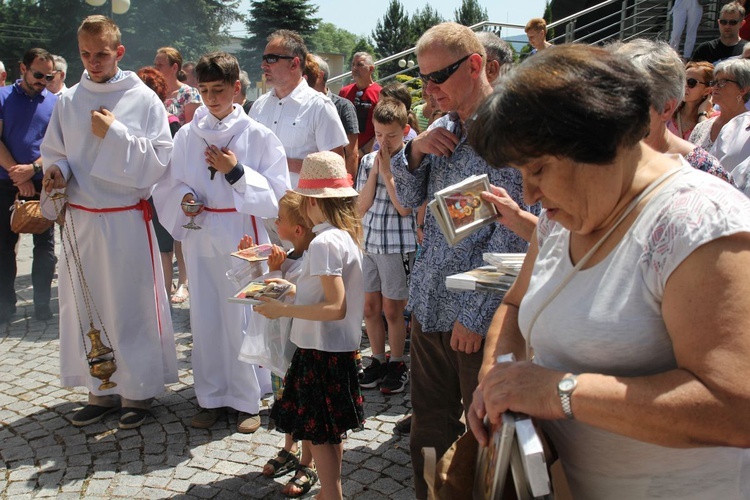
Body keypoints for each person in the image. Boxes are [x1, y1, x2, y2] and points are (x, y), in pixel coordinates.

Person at [467, 42, 750, 500]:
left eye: (538, 168)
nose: (530, 194)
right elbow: (517, 304)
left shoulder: (700, 223)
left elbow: (734, 409)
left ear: (604, 140)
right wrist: (496, 378)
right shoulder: (567, 218)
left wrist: (558, 392)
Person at [389, 22, 534, 499]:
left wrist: (476, 316)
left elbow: (514, 239)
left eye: (439, 76)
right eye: (423, 77)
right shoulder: (441, 128)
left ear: (476, 66)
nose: (429, 89)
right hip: (430, 306)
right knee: (427, 434)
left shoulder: (511, 134)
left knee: (490, 437)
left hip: (477, 321)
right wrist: (412, 152)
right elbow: (407, 200)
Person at [40, 15, 177, 430]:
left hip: (124, 220)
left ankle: (137, 391)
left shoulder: (143, 99)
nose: (93, 62)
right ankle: (99, 390)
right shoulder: (68, 100)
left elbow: (159, 160)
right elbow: (55, 150)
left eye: (101, 54)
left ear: (119, 52)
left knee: (130, 306)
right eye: (85, 54)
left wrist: (114, 134)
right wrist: (57, 171)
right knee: (86, 306)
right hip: (81, 221)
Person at [153, 51, 289, 433]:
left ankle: (248, 399)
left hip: (241, 234)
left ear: (237, 89)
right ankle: (211, 396)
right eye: (205, 90)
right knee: (206, 317)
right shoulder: (186, 135)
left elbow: (278, 195)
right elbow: (169, 184)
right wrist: (185, 200)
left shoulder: (258, 135)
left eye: (219, 89)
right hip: (200, 234)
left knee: (242, 316)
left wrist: (236, 171)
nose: (211, 98)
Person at [256, 151, 365, 500]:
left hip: (320, 349)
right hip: (336, 348)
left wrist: (282, 311)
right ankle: (331, 491)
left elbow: (334, 306)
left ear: (312, 201)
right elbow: (319, 291)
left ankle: (331, 495)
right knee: (328, 432)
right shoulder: (342, 236)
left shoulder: (323, 242)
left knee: (320, 432)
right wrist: (288, 291)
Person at [238, 192, 316, 496]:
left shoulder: (308, 260)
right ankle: (289, 448)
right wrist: (255, 262)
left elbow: (281, 291)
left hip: (299, 344)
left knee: (304, 403)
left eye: (279, 220)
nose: (274, 223)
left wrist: (271, 270)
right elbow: (262, 289)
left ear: (297, 230)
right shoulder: (289, 254)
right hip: (281, 343)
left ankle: (307, 462)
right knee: (284, 399)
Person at [356, 98, 417, 395]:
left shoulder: (410, 160)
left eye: (391, 135)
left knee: (393, 309)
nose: (384, 141)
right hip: (370, 243)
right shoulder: (368, 161)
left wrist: (389, 176)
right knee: (370, 307)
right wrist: (374, 174)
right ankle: (377, 359)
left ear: (404, 131)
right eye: (379, 134)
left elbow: (405, 209)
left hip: (396, 244)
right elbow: (360, 207)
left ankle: (397, 362)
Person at [614, 39, 734, 184]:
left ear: (666, 109)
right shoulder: (598, 156)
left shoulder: (703, 171)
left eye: (629, 102)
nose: (610, 111)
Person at [0, 47, 57, 323]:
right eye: (38, 74)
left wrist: (33, 169)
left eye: (48, 76)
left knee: (45, 247)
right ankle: (5, 306)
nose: (42, 81)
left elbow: (59, 146)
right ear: (22, 68)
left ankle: (43, 304)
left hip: (42, 182)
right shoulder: (2, 97)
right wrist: (16, 173)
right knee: (3, 246)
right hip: (5, 182)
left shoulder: (55, 103)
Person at [249, 30, 347, 189]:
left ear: (294, 63)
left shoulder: (320, 106)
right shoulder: (259, 106)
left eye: (271, 59)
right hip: (260, 208)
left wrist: (283, 163)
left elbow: (335, 169)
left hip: (302, 210)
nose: (263, 65)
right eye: (264, 58)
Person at [154, 46, 199, 304]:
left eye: (161, 64)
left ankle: (184, 282)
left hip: (180, 165)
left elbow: (190, 132)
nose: (157, 67)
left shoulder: (188, 93)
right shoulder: (155, 95)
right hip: (159, 170)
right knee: (161, 226)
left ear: (174, 67)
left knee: (181, 225)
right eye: (155, 63)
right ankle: (164, 280)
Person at [136, 66, 182, 300]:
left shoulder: (170, 121)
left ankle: (167, 290)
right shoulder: (133, 120)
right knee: (151, 243)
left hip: (165, 188)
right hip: (143, 191)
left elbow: (173, 159)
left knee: (168, 243)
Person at [307, 55, 360, 178]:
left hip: (332, 183)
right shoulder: (300, 107)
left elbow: (352, 154)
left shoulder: (343, 106)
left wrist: (345, 189)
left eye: (306, 73)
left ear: (319, 76)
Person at [689, 58, 750, 150]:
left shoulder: (747, 129)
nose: (715, 87)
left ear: (743, 89)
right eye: (714, 82)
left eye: (723, 82)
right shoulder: (701, 127)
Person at [339, 52, 381, 158]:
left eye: (359, 65)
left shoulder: (380, 93)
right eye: (353, 64)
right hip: (344, 154)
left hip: (367, 155)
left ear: (371, 69)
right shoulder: (344, 92)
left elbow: (382, 126)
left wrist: (363, 152)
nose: (354, 68)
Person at [669, 61, 715, 140]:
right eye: (682, 80)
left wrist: (702, 113)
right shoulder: (669, 112)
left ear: (707, 91)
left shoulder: (715, 119)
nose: (684, 85)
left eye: (691, 82)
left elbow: (707, 140)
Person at [372, 82, 419, 151]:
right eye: (379, 103)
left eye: (385, 103)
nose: (378, 107)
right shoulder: (383, 130)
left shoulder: (409, 137)